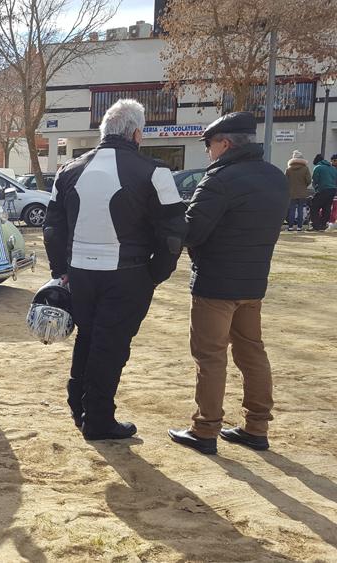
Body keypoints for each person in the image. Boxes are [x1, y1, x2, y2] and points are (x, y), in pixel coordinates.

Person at [43, 99, 187, 441]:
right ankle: (98, 420)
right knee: (111, 346)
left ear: (104, 132)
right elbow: (174, 231)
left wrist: (60, 270)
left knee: (89, 338)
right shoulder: (155, 171)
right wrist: (157, 273)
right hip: (128, 273)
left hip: (80, 273)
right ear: (137, 133)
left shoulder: (68, 169)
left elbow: (52, 227)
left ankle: (81, 409)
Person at [168, 111, 288, 455]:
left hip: (215, 284)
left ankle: (205, 428)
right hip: (253, 282)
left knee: (210, 357)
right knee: (252, 352)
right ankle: (257, 426)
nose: (208, 151)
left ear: (224, 143)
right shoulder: (275, 177)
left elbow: (192, 232)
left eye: (209, 145)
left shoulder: (219, 179)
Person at [285, 150, 312, 231]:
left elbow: (285, 180)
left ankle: (290, 226)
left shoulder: (288, 169)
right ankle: (299, 227)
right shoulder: (305, 169)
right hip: (302, 193)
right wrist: (304, 186)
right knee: (300, 209)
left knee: (292, 209)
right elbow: (309, 180)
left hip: (291, 192)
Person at [309, 153, 337, 230]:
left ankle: (315, 225)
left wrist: (316, 189)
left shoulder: (318, 167)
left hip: (323, 189)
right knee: (327, 207)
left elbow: (315, 180)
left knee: (314, 206)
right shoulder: (333, 168)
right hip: (333, 190)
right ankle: (323, 224)